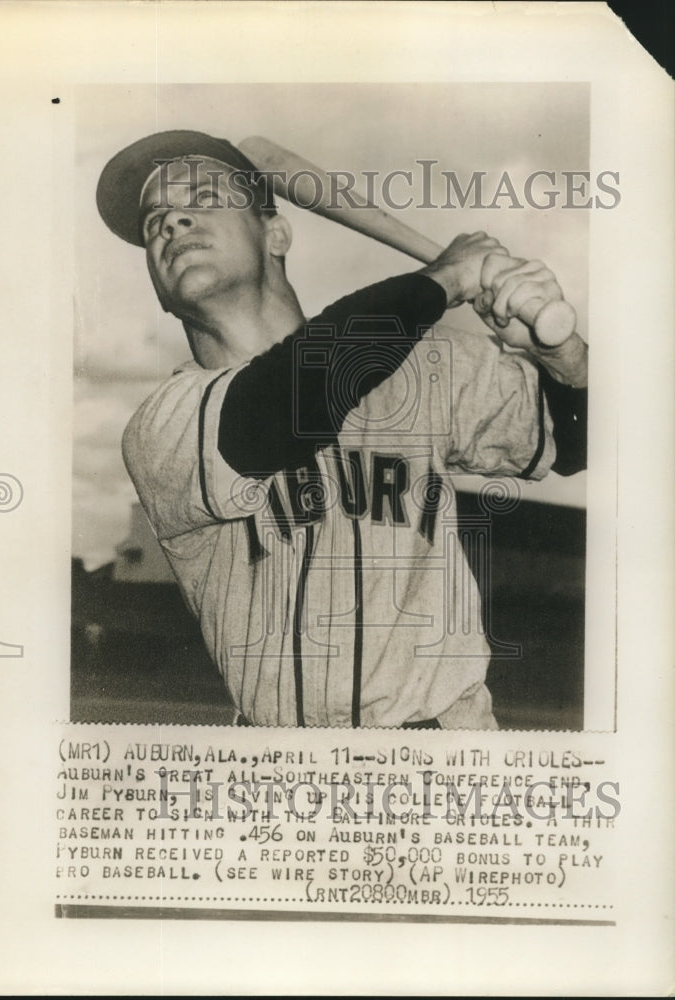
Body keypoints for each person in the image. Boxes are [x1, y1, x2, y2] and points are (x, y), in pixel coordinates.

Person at [96, 129, 587, 730]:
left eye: (202, 196)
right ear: (160, 289)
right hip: (287, 773)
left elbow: (578, 442)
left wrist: (561, 353)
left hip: (451, 757)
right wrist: (446, 280)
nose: (172, 221)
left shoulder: (423, 365)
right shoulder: (164, 425)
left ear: (276, 232)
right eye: (156, 222)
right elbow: (289, 399)